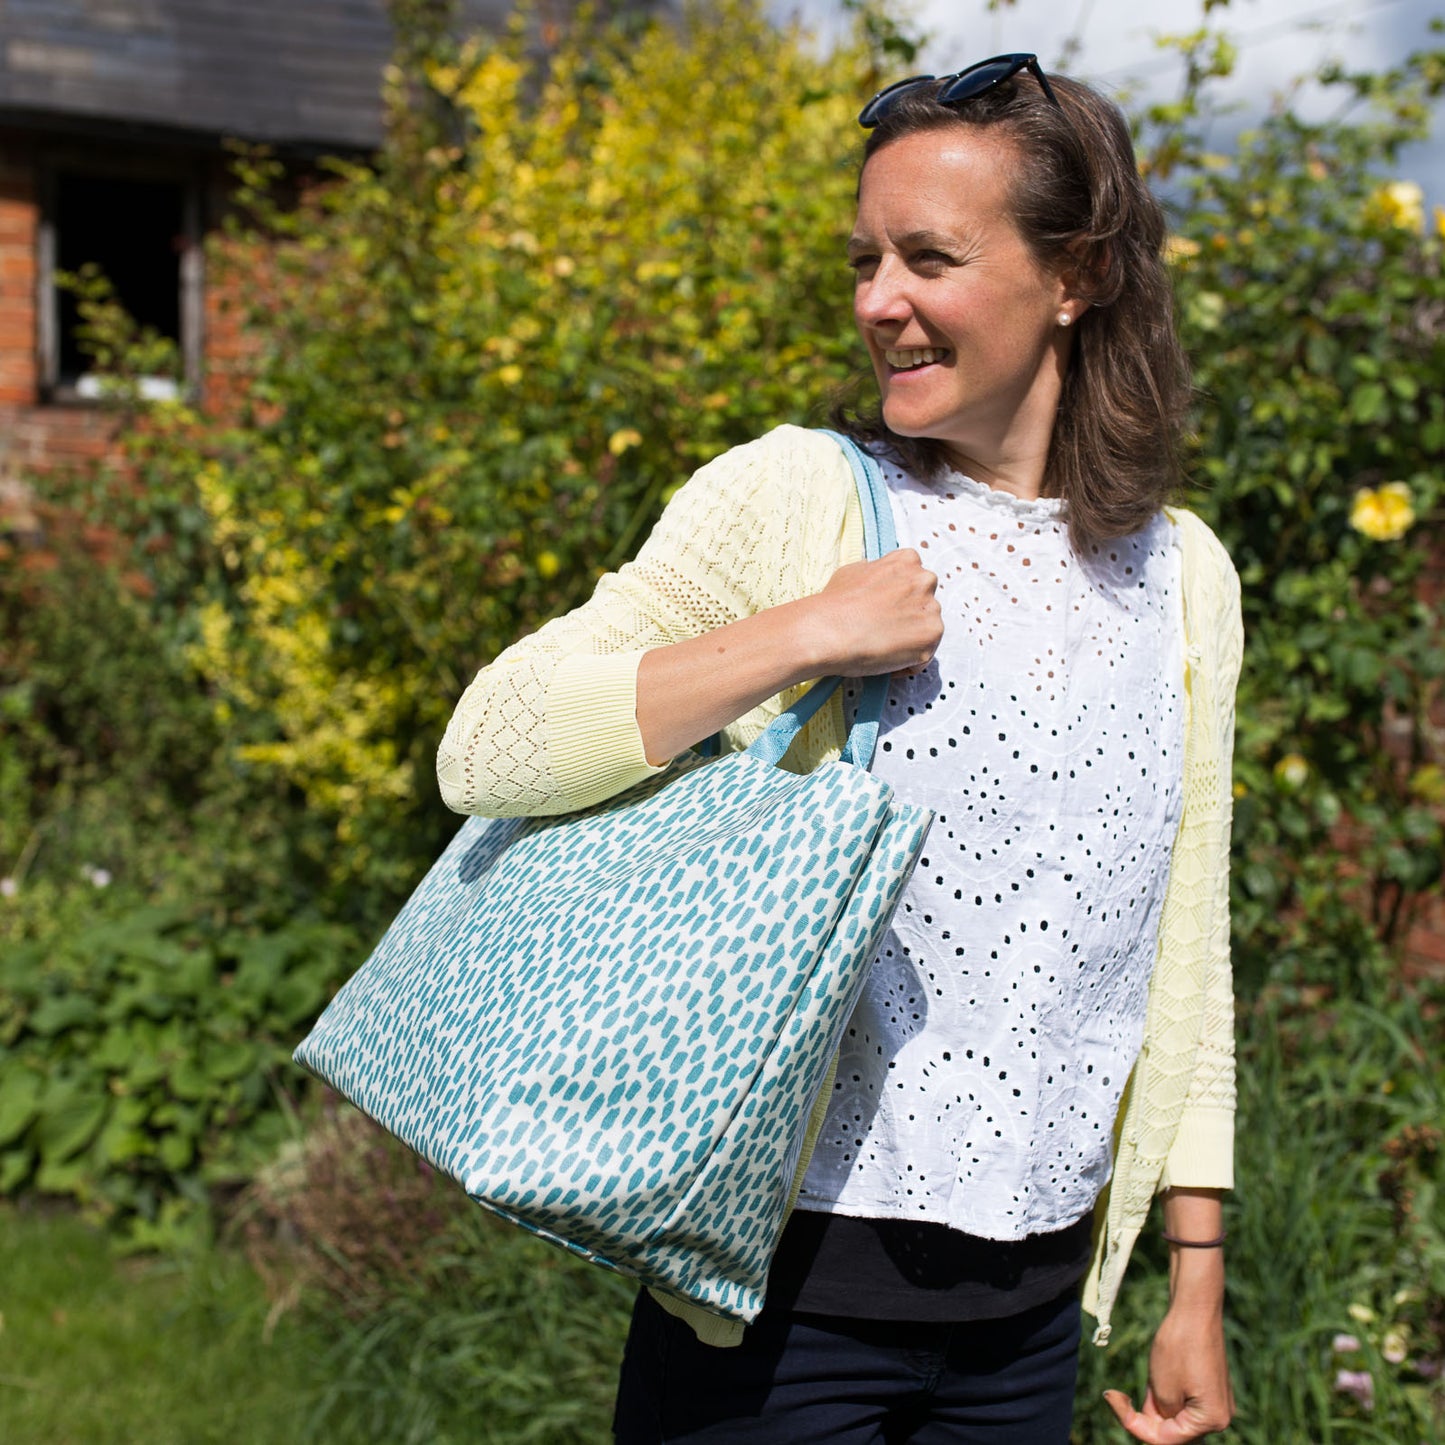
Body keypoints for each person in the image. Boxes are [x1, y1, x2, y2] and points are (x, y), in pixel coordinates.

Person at [437, 53, 1240, 1445]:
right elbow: (486, 746)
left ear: (1078, 274)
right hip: (777, 1310)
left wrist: (1193, 1275)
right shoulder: (800, 497)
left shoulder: (1181, 577)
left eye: (927, 256)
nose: (879, 302)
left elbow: (1184, 937)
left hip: (1029, 1322)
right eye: (863, 259)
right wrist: (799, 632)